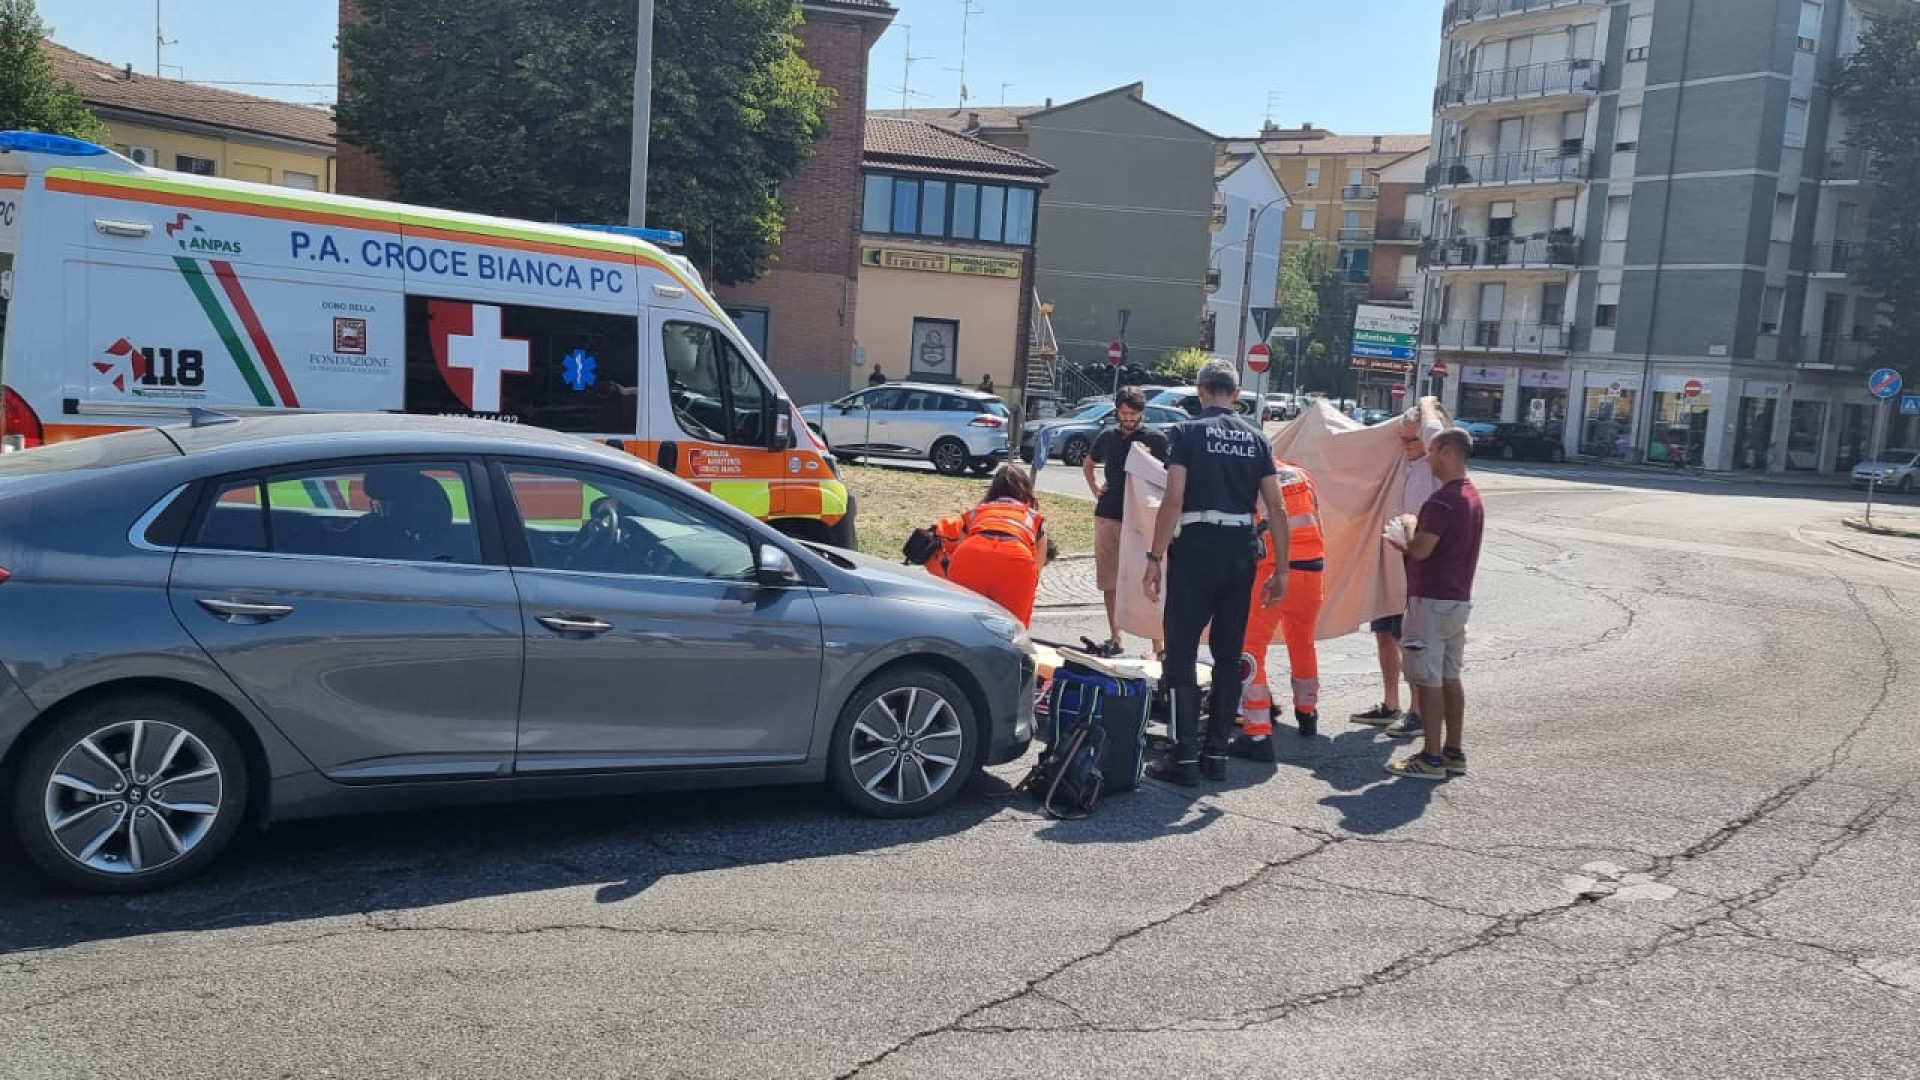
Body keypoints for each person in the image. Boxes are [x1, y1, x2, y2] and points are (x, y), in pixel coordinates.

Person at [1143, 360, 1288, 786]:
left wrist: (1154, 558)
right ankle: (1217, 756)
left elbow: (1173, 497)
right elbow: (1275, 506)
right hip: (1241, 550)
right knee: (1228, 655)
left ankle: (1183, 759)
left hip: (1196, 546)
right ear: (1236, 394)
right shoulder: (1257, 438)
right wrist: (1282, 569)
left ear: (1200, 391)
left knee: (1183, 651)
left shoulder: (1186, 432)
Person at [1384, 427, 1484, 781]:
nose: (1427, 458)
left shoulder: (1441, 501)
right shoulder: (1472, 495)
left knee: (1426, 680)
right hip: (1457, 600)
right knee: (1449, 676)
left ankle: (1430, 756)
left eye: (1433, 450)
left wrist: (1405, 536)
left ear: (1447, 452)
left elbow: (1422, 550)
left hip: (1430, 600)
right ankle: (1454, 751)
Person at [1352, 396, 1447, 738]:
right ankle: (1390, 704)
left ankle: (1418, 712)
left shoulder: (1436, 466)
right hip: (1394, 560)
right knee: (1383, 632)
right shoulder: (1403, 462)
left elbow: (1434, 430)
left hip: (1419, 561)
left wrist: (1425, 403)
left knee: (1411, 639)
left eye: (1411, 439)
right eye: (1402, 438)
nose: (1405, 444)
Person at [1227, 454, 1326, 760]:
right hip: (1313, 569)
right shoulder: (1300, 473)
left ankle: (1257, 732)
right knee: (1302, 641)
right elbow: (1317, 519)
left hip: (1274, 571)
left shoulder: (1252, 478)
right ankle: (1307, 712)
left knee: (1250, 648)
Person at [1083, 386, 1170, 657]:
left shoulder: (1156, 438)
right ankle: (1115, 637)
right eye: (1123, 413)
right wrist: (1096, 489)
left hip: (1143, 519)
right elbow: (1089, 463)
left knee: (1150, 579)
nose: (1128, 418)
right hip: (1109, 515)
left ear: (1142, 413)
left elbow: (1167, 476)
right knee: (1109, 579)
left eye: (1133, 414)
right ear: (1117, 412)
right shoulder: (1108, 436)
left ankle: (1158, 644)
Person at [941, 463, 1053, 626]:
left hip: (971, 553)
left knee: (961, 624)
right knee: (1013, 631)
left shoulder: (977, 512)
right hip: (1016, 557)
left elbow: (960, 545)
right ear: (1026, 491)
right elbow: (1036, 568)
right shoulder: (1033, 518)